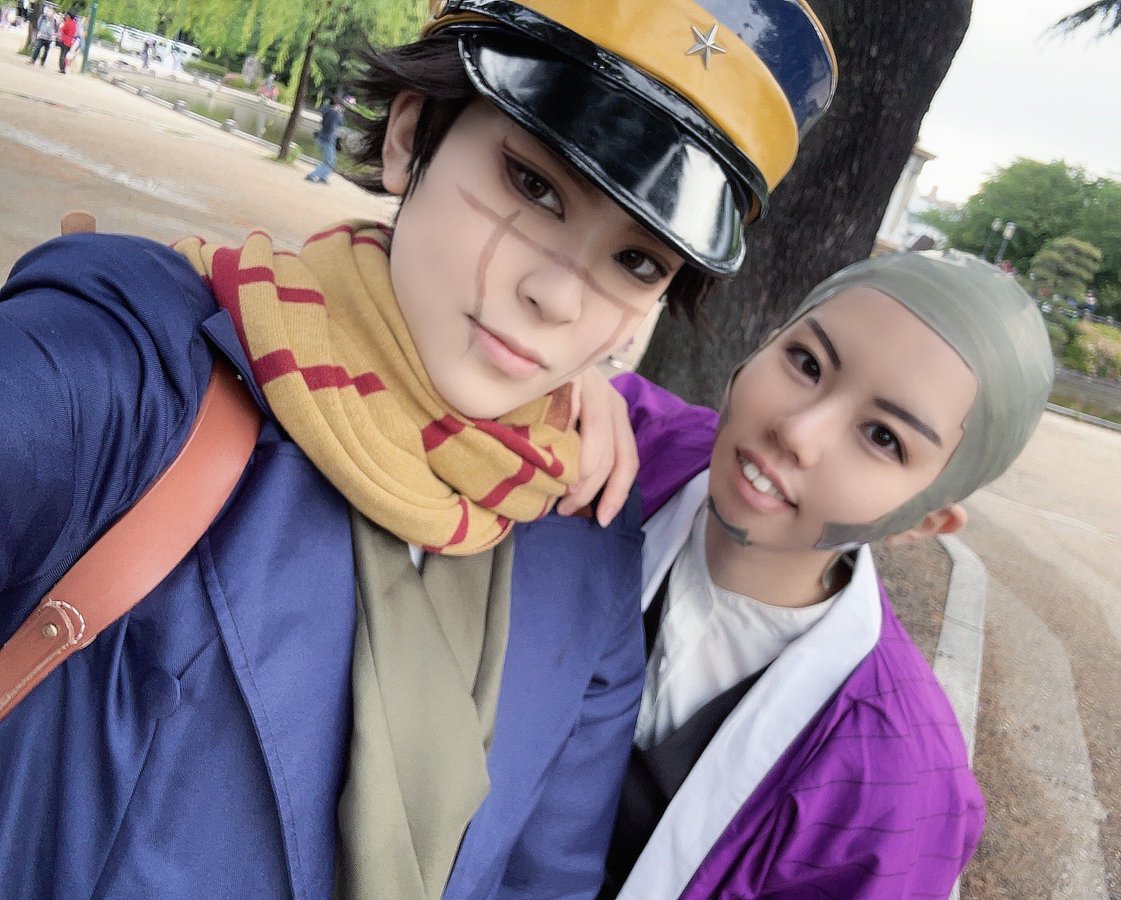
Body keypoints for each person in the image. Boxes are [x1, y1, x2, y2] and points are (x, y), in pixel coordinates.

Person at [0, 1, 836, 898]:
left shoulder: (582, 530)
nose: (560, 298)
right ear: (410, 137)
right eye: (534, 186)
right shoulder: (138, 367)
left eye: (637, 262)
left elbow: (542, 881)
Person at [605, 250, 1054, 898]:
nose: (797, 431)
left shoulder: (898, 787)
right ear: (764, 344)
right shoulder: (612, 436)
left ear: (924, 521)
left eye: (882, 437)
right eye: (807, 363)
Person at [304, 91, 345, 184]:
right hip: (328, 140)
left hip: (322, 138)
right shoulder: (336, 114)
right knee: (329, 162)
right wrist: (340, 112)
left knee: (330, 161)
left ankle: (323, 177)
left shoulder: (326, 110)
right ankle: (313, 175)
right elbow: (340, 124)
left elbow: (325, 116)